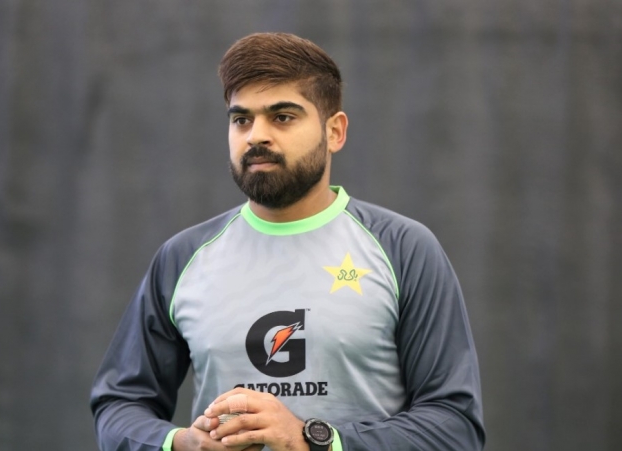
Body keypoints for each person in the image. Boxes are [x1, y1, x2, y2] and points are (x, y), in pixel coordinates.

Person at [90, 32, 485, 451]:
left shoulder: (404, 248)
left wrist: (313, 441)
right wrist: (181, 443)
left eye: (282, 116)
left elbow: (454, 427)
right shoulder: (182, 257)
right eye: (241, 120)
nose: (255, 136)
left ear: (335, 131)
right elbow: (119, 405)